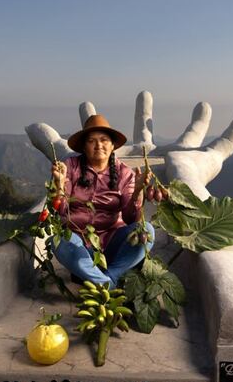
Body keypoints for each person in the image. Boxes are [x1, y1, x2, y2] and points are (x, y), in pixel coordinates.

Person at [49, 114, 156, 288]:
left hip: (113, 247)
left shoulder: (125, 173)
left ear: (113, 145)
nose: (98, 145)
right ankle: (108, 282)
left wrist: (137, 191)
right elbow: (61, 210)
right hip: (81, 249)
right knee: (59, 241)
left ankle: (104, 279)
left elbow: (130, 219)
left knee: (146, 231)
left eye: (104, 140)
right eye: (91, 141)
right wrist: (59, 185)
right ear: (84, 147)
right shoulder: (70, 167)